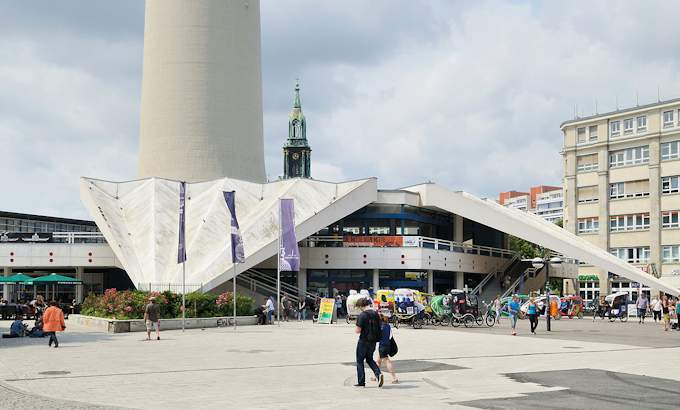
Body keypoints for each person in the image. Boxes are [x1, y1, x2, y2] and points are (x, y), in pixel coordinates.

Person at [353, 297, 383, 388]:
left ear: (361, 306)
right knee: (369, 359)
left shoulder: (362, 315)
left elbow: (358, 330)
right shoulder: (375, 314)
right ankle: (378, 374)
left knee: (360, 361)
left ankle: (361, 382)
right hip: (373, 341)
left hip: (363, 341)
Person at [377, 313, 398, 384]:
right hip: (388, 345)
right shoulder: (388, 326)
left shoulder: (379, 327)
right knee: (378, 361)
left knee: (387, 361)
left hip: (382, 346)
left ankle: (394, 377)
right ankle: (375, 375)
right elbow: (390, 336)